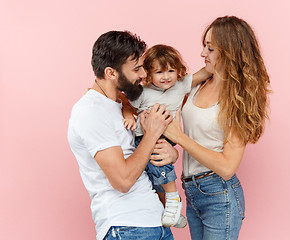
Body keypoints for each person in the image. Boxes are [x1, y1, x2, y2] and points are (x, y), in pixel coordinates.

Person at [163, 16, 271, 240]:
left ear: (230, 51)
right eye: (205, 46)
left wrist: (180, 139)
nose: (203, 54)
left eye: (210, 48)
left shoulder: (240, 98)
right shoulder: (199, 84)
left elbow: (227, 166)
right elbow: (158, 90)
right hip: (191, 191)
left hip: (218, 193)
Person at [67, 31, 178, 240]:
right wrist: (151, 134)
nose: (143, 75)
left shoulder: (120, 104)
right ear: (111, 73)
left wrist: (171, 154)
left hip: (155, 221)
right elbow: (123, 181)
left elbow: (141, 155)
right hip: (127, 227)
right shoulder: (91, 112)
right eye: (136, 69)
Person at [122, 44, 211, 227]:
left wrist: (224, 58)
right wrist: (128, 115)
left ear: (178, 71)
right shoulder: (143, 91)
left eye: (171, 70)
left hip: (165, 136)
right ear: (148, 73)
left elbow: (204, 73)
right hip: (143, 137)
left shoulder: (180, 85)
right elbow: (126, 103)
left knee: (157, 159)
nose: (166, 77)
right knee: (150, 178)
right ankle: (167, 208)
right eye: (159, 72)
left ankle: (173, 198)